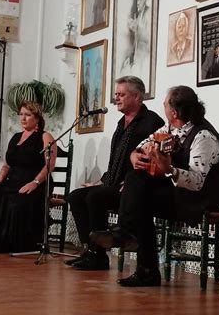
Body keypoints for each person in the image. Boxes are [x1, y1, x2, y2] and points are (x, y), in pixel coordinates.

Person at [90, 85, 219, 286]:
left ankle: (136, 250)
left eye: (164, 105)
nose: (162, 107)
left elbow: (197, 183)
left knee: (140, 197)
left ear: (174, 112)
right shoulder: (170, 128)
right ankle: (138, 254)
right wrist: (135, 153)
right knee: (137, 181)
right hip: (178, 193)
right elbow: (143, 144)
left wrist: (170, 169)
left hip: (199, 199)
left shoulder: (203, 137)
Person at [65, 76, 164, 270]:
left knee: (95, 197)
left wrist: (133, 183)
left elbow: (155, 161)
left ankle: (99, 255)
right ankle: (91, 250)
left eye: (121, 94)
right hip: (114, 184)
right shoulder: (121, 124)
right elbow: (116, 161)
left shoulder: (151, 122)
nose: (116, 98)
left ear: (136, 96)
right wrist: (103, 180)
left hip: (135, 188)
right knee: (76, 196)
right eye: (116, 95)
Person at [0, 101, 57, 253]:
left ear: (37, 118)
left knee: (18, 201)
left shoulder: (45, 136)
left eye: (28, 115)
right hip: (13, 181)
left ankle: (12, 244)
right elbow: (7, 165)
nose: (23, 118)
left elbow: (50, 165)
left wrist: (35, 182)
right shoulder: (15, 137)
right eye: (21, 114)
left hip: (37, 182)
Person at [120, 0, 150, 77]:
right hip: (136, 57)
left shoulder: (148, 13)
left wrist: (137, 28)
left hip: (144, 57)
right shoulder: (136, 15)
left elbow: (149, 38)